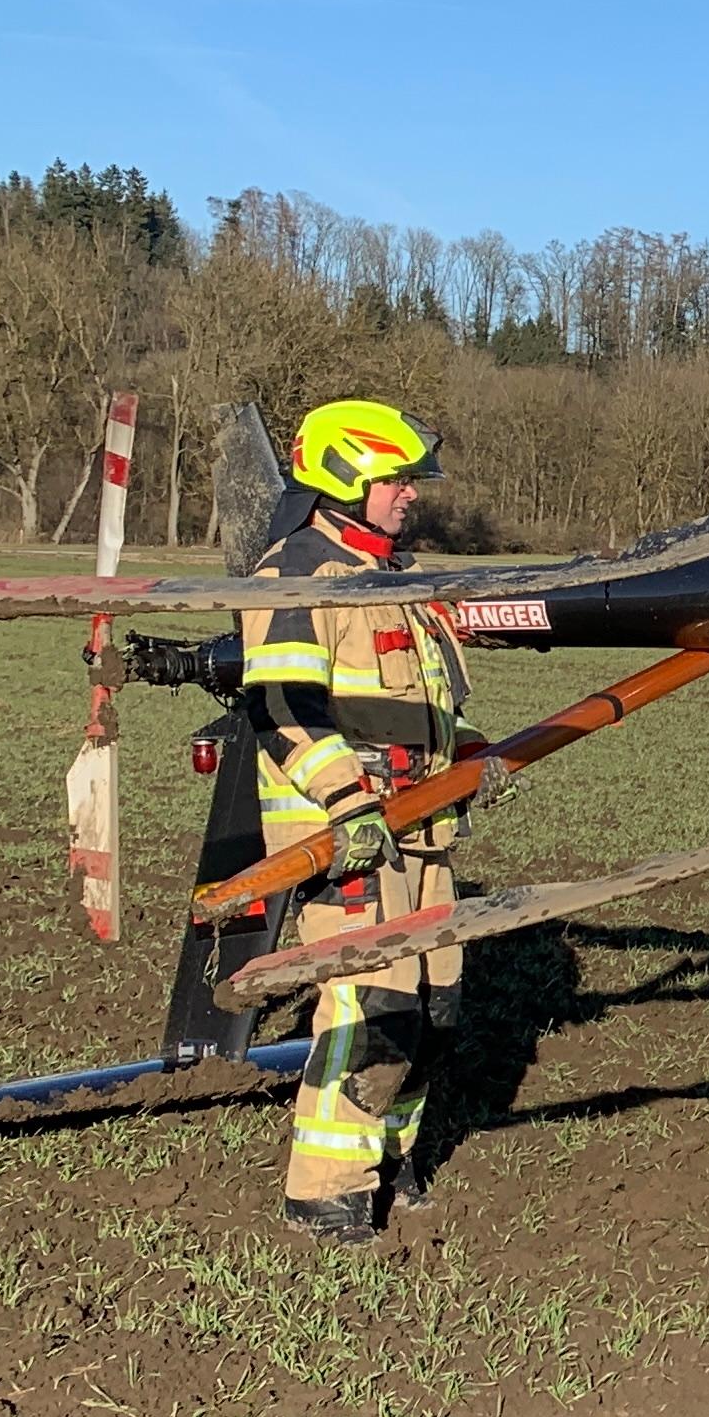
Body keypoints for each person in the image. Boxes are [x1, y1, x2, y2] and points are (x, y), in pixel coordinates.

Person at [238, 397, 472, 1240]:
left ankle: (391, 1157)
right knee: (364, 1003)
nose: (411, 493)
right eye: (395, 479)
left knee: (429, 1005)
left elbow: (420, 697)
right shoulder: (299, 574)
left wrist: (467, 753)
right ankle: (327, 1188)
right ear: (345, 479)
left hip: (424, 829)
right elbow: (285, 712)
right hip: (350, 838)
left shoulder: (399, 576)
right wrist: (347, 805)